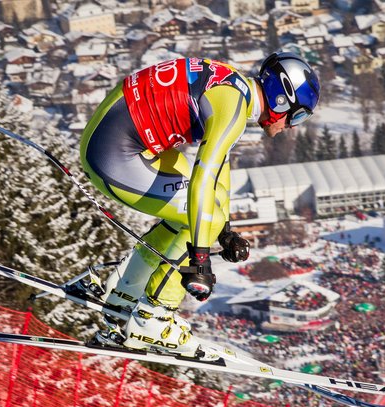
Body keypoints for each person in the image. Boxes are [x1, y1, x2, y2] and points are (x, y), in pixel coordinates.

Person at [80, 52, 320, 356]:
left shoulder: (235, 89)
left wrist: (225, 229)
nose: (293, 126)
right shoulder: (233, 110)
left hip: (114, 138)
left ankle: (124, 295)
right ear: (281, 99)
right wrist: (201, 260)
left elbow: (219, 166)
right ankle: (152, 318)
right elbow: (202, 181)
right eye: (298, 116)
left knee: (204, 216)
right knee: (201, 216)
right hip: (113, 155)